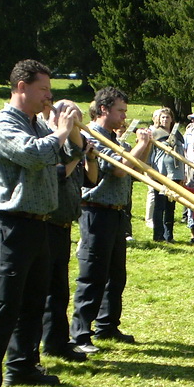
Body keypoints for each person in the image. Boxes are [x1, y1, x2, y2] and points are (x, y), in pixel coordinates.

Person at [0, 59, 83, 387]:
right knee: (3, 304)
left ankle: (22, 366)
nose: (49, 97)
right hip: (12, 224)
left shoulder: (38, 124)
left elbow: (67, 159)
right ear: (21, 87)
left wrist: (72, 130)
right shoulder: (3, 123)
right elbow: (34, 156)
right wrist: (60, 130)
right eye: (44, 90)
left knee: (35, 301)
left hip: (40, 223)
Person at [70, 86, 152, 355]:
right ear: (104, 109)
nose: (123, 117)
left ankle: (107, 325)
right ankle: (80, 333)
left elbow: (137, 169)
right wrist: (140, 145)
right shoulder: (92, 136)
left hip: (116, 211)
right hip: (95, 209)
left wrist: (146, 145)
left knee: (116, 275)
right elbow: (118, 170)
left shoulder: (116, 139)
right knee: (93, 274)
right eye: (120, 111)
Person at [37, 104, 99, 363]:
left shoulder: (73, 146)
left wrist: (91, 156)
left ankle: (58, 342)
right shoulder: (51, 144)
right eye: (72, 118)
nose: (78, 123)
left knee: (60, 290)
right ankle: (48, 342)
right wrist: (77, 154)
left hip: (64, 223)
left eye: (79, 118)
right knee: (46, 289)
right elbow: (60, 173)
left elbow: (90, 181)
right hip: (46, 223)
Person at [150, 107, 185, 242]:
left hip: (175, 174)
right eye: (162, 117)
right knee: (160, 206)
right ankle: (158, 235)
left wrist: (183, 174)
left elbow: (182, 154)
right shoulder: (155, 134)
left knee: (171, 206)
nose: (165, 119)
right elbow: (150, 154)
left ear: (172, 119)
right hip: (161, 173)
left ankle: (168, 235)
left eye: (167, 117)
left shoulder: (177, 135)